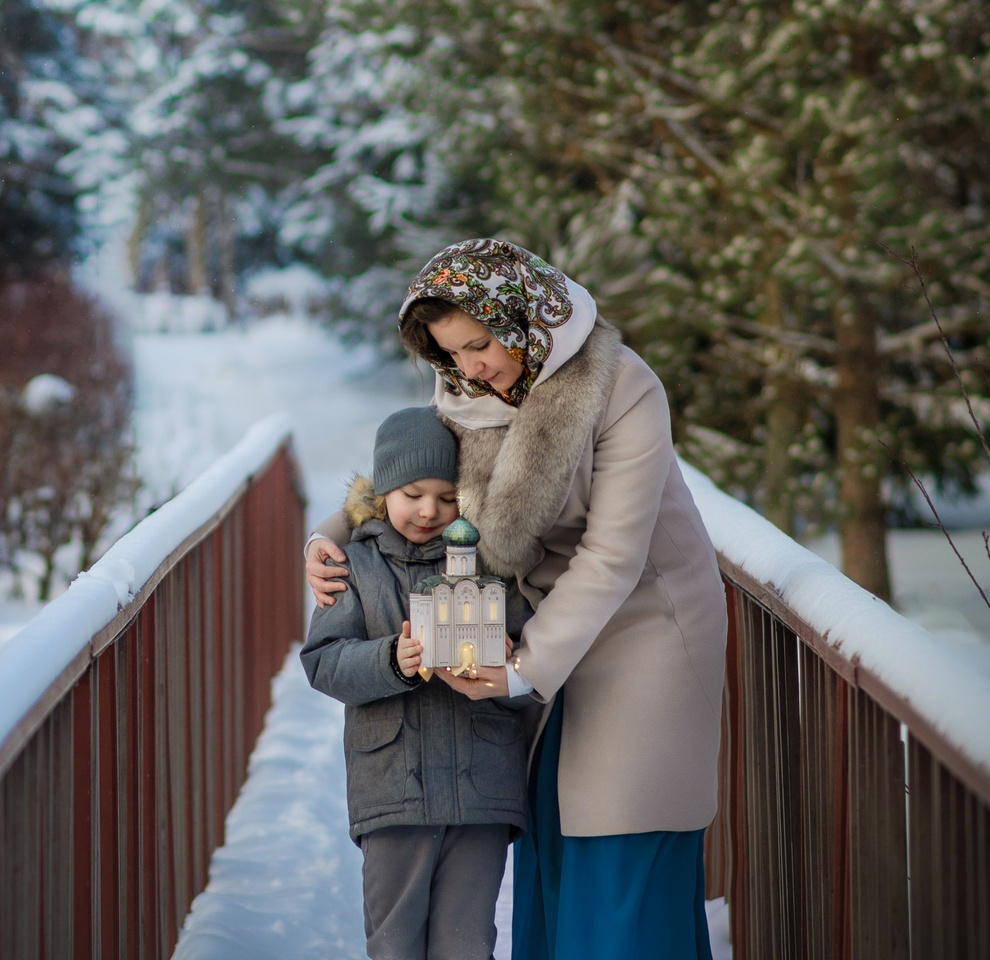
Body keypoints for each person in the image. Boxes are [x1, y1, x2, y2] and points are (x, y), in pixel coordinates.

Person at [307, 239, 727, 959]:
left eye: (478, 343)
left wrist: (524, 671)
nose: (469, 366)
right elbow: (411, 473)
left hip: (642, 630)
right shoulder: (469, 389)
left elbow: (612, 554)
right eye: (450, 352)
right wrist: (329, 535)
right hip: (536, 631)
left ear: (525, 316)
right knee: (557, 836)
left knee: (620, 840)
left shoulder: (623, 387)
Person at [301, 405, 537, 960]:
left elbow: (534, 641)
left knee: (467, 941)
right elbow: (323, 661)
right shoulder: (353, 565)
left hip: (482, 785)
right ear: (382, 492)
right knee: (395, 942)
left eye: (447, 496)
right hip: (394, 789)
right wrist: (391, 659)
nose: (430, 510)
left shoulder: (492, 561)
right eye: (412, 493)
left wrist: (510, 654)